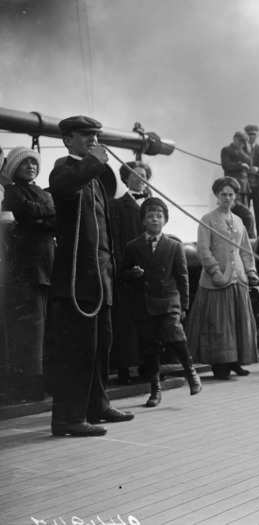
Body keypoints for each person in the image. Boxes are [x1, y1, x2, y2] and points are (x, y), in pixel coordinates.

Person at [46, 115, 134, 437]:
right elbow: (64, 187)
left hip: (100, 280)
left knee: (100, 347)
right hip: (76, 283)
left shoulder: (95, 178)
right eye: (85, 136)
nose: (92, 141)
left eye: (95, 136)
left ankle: (97, 406)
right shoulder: (64, 170)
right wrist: (95, 164)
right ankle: (68, 418)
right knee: (77, 350)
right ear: (68, 140)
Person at [121, 197, 202, 407]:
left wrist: (184, 305)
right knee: (150, 347)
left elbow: (183, 277)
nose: (154, 219)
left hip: (169, 300)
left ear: (165, 220)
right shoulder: (133, 246)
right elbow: (122, 273)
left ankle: (191, 372)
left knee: (175, 334)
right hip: (145, 302)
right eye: (150, 216)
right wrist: (132, 273)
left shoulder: (175, 246)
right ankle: (155, 389)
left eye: (159, 216)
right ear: (143, 221)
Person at [187, 177, 259, 379]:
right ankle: (220, 365)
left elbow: (245, 249)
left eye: (230, 194)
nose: (227, 198)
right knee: (219, 324)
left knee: (238, 322)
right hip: (216, 281)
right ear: (217, 196)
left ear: (235, 197)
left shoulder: (239, 221)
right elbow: (203, 250)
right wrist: (215, 272)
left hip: (238, 280)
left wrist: (251, 271)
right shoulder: (207, 219)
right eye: (223, 194)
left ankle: (236, 362)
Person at [1, 147, 55, 401]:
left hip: (46, 267)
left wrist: (41, 215)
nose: (31, 167)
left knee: (44, 327)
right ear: (14, 168)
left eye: (34, 164)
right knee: (31, 329)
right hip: (28, 269)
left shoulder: (41, 192)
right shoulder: (12, 192)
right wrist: (46, 214)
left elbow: (45, 215)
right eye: (25, 164)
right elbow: (29, 213)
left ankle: (43, 380)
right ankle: (30, 385)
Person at [109, 160, 152, 384]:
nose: (139, 177)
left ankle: (149, 368)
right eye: (135, 174)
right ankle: (125, 370)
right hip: (128, 273)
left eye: (143, 174)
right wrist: (124, 269)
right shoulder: (117, 205)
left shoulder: (154, 204)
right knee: (126, 323)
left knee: (149, 322)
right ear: (125, 178)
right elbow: (115, 241)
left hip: (151, 272)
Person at [220, 132, 252, 206]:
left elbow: (249, 162)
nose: (242, 143)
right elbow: (226, 165)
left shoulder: (244, 153)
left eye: (244, 142)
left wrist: (247, 149)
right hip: (233, 186)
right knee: (235, 210)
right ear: (234, 139)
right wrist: (241, 165)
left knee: (245, 210)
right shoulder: (227, 150)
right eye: (241, 141)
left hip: (244, 188)